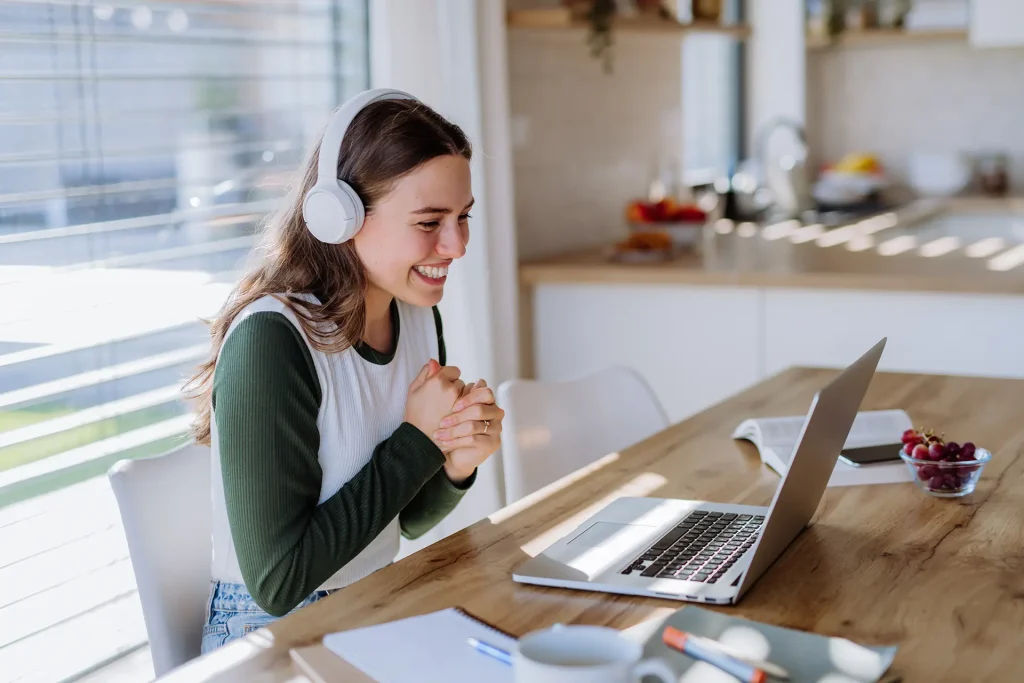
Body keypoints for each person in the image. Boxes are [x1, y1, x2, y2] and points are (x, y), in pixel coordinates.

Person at [183, 89, 504, 653]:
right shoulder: (272, 341)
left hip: (375, 599)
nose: (455, 245)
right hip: (268, 633)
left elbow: (400, 524)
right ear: (339, 217)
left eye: (463, 217)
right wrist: (417, 440)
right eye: (429, 221)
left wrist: (454, 464)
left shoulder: (417, 315)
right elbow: (280, 582)